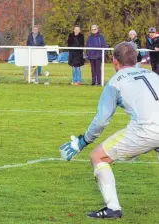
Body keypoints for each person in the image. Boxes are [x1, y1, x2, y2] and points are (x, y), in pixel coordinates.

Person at [60, 41, 159, 219]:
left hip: (147, 129)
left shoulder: (115, 82)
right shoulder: (153, 75)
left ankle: (113, 208)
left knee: (97, 156)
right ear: (136, 59)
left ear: (114, 61)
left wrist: (83, 141)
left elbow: (102, 120)